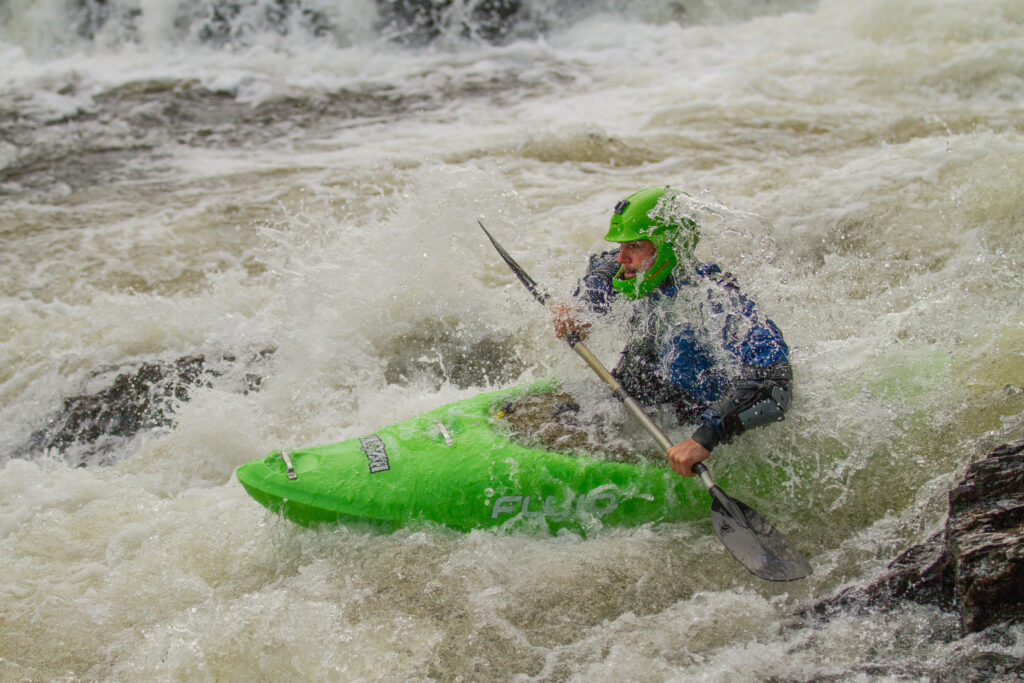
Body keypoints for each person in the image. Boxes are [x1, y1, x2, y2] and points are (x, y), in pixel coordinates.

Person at [551, 187, 792, 478]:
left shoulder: (717, 300)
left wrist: (704, 438)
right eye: (622, 245)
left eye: (635, 246)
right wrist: (581, 307)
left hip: (703, 424)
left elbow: (775, 383)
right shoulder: (642, 273)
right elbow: (604, 265)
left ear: (667, 246)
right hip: (657, 394)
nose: (621, 258)